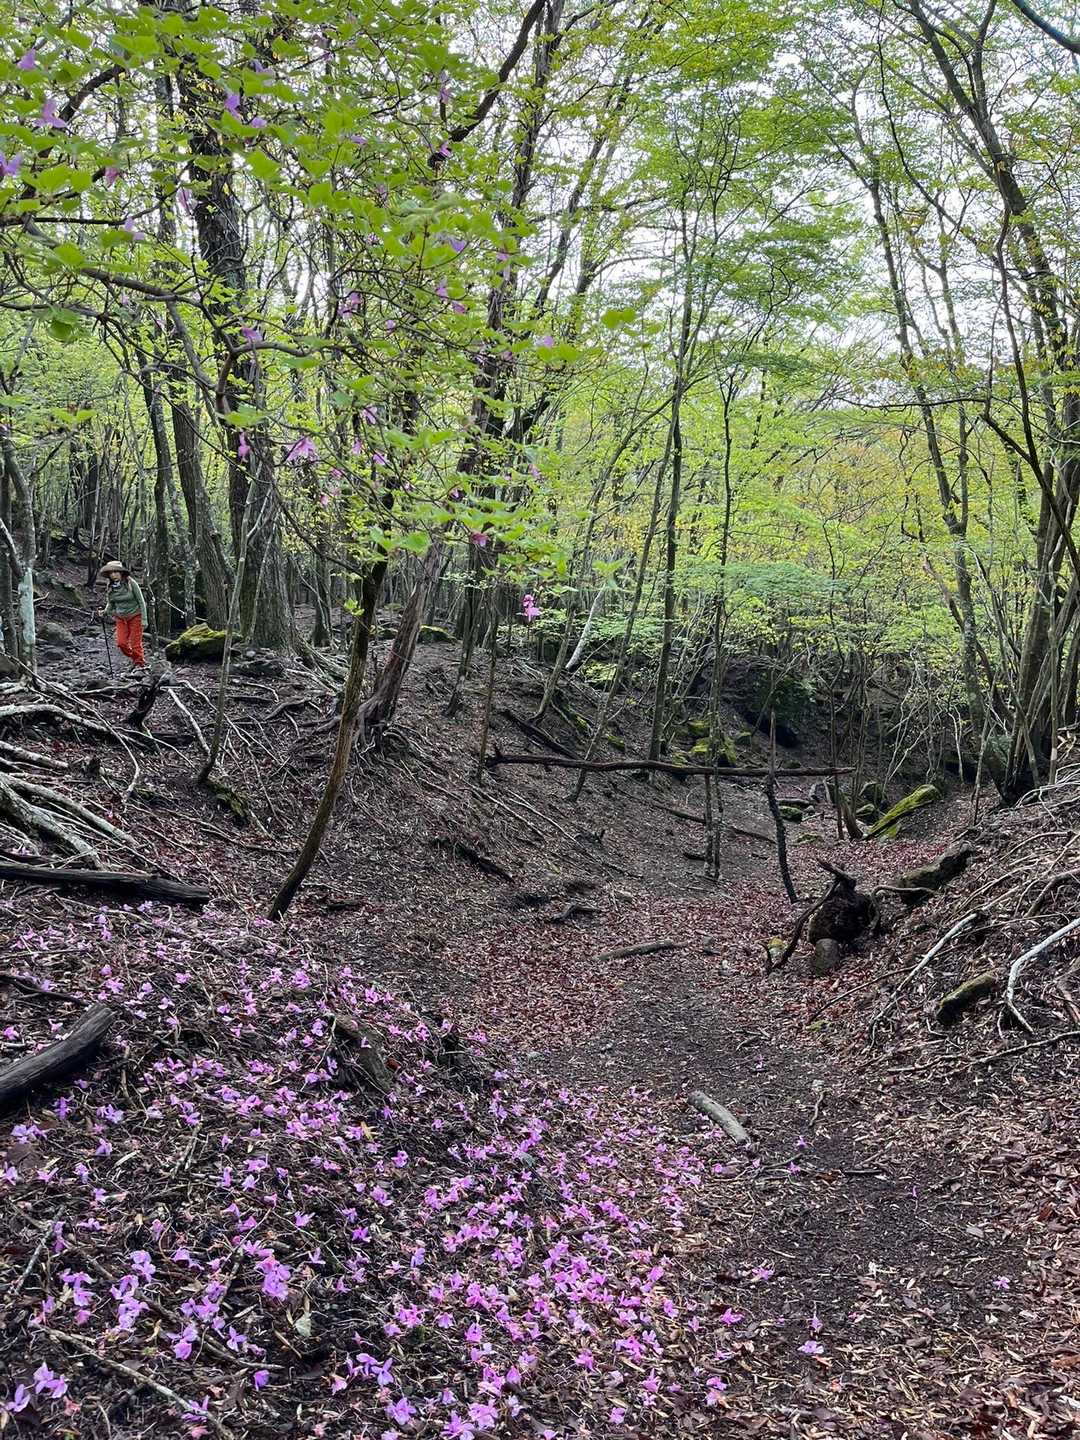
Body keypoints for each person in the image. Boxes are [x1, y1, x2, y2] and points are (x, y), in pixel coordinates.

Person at [96, 560, 147, 670]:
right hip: (121, 618)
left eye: (116, 572)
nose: (113, 575)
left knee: (135, 643)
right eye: (111, 573)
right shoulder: (110, 587)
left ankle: (140, 664)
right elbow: (111, 602)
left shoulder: (131, 583)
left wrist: (144, 619)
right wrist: (105, 612)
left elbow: (141, 601)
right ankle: (135, 657)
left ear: (121, 572)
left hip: (135, 616)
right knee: (121, 643)